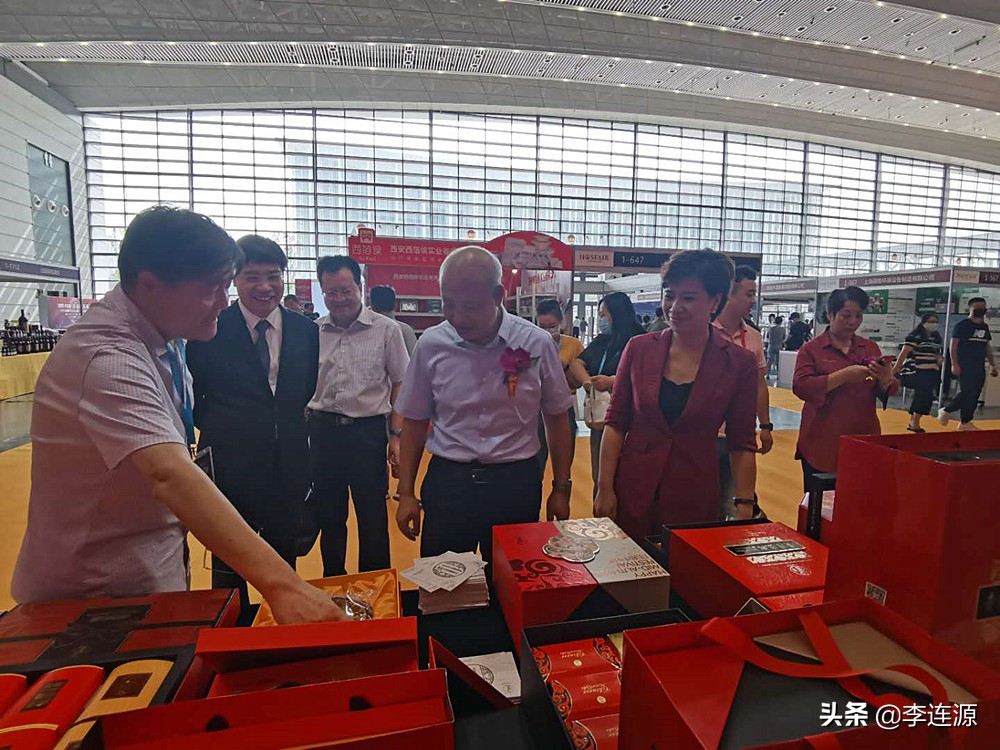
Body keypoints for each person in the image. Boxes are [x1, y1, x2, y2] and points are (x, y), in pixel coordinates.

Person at [11, 206, 344, 623]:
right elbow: (168, 473)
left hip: (147, 578)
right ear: (150, 285)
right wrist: (284, 586)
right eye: (213, 288)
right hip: (92, 599)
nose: (224, 303)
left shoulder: (163, 340)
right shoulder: (108, 357)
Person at [394, 247, 573, 563]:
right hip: (450, 484)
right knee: (445, 590)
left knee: (513, 585)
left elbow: (557, 418)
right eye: (448, 304)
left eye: (471, 306)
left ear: (499, 295)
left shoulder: (536, 343)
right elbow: (415, 421)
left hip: (515, 485)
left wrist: (561, 487)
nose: (458, 317)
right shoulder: (432, 344)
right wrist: (406, 493)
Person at [186, 235, 319, 618]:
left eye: (274, 276)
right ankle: (231, 639)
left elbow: (303, 390)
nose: (265, 287)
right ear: (234, 281)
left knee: (283, 561)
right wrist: (231, 430)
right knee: (229, 566)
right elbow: (197, 395)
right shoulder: (209, 329)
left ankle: (281, 637)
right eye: (252, 277)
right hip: (231, 467)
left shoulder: (306, 331)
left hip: (288, 466)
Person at [593, 250, 759, 541]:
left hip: (694, 493)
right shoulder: (639, 349)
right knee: (628, 577)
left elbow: (741, 442)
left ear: (715, 301)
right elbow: (617, 423)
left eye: (689, 298)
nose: (675, 306)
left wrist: (744, 505)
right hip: (632, 490)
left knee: (687, 578)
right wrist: (604, 487)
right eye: (670, 295)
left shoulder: (738, 362)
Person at [309, 256, 409, 576]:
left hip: (367, 434)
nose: (338, 300)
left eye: (345, 290)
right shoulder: (313, 332)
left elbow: (401, 381)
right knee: (330, 517)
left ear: (359, 287)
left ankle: (376, 586)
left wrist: (396, 435)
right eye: (330, 293)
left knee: (372, 518)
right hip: (322, 433)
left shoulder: (385, 330)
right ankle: (332, 584)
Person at [793, 286, 898, 483]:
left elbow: (888, 389)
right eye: (846, 315)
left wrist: (886, 379)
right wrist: (843, 376)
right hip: (822, 441)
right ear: (830, 314)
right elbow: (801, 386)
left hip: (863, 437)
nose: (853, 322)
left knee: (861, 502)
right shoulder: (812, 349)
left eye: (858, 315)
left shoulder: (869, 347)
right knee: (821, 506)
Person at [712, 265, 773, 518]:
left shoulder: (754, 337)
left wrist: (766, 426)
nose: (752, 300)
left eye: (753, 294)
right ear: (728, 294)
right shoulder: (701, 333)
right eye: (748, 294)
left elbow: (759, 384)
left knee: (736, 505)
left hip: (738, 437)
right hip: (701, 436)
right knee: (701, 506)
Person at [577, 293, 645, 496]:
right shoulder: (603, 341)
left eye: (603, 315)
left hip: (632, 423)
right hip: (601, 419)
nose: (601, 320)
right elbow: (578, 363)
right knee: (600, 476)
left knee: (628, 479)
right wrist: (588, 383)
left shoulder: (641, 341)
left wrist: (612, 382)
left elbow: (645, 376)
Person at [534, 298, 590, 473]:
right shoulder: (531, 343)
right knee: (536, 460)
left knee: (564, 460)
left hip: (565, 405)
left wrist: (563, 367)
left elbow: (579, 380)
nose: (547, 331)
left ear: (561, 322)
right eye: (542, 326)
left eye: (551, 326)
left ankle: (562, 488)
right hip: (536, 407)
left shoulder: (574, 345)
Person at [938, 298, 998, 430]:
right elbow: (953, 345)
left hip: (979, 365)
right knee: (967, 392)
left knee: (975, 393)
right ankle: (947, 409)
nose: (981, 311)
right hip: (965, 364)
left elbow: (986, 347)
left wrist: (993, 364)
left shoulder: (984, 327)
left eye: (983, 308)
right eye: (978, 308)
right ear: (970, 309)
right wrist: (954, 363)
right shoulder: (962, 325)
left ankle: (966, 421)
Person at [892, 313, 943, 433]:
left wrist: (939, 358)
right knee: (924, 393)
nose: (933, 324)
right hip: (916, 370)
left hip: (931, 371)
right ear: (924, 322)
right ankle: (914, 421)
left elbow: (937, 353)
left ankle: (914, 420)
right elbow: (904, 353)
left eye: (936, 322)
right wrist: (895, 369)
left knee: (927, 396)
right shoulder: (915, 336)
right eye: (931, 321)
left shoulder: (936, 337)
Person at [370, 284, 418, 356]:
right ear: (395, 305)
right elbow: (415, 361)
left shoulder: (367, 330)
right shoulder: (406, 330)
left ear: (372, 306)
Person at [766, 315, 785, 380]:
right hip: (779, 346)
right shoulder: (783, 329)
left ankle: (767, 375)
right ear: (781, 322)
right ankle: (778, 376)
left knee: (769, 361)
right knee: (778, 362)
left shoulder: (771, 328)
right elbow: (784, 338)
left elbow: (767, 336)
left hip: (771, 345)